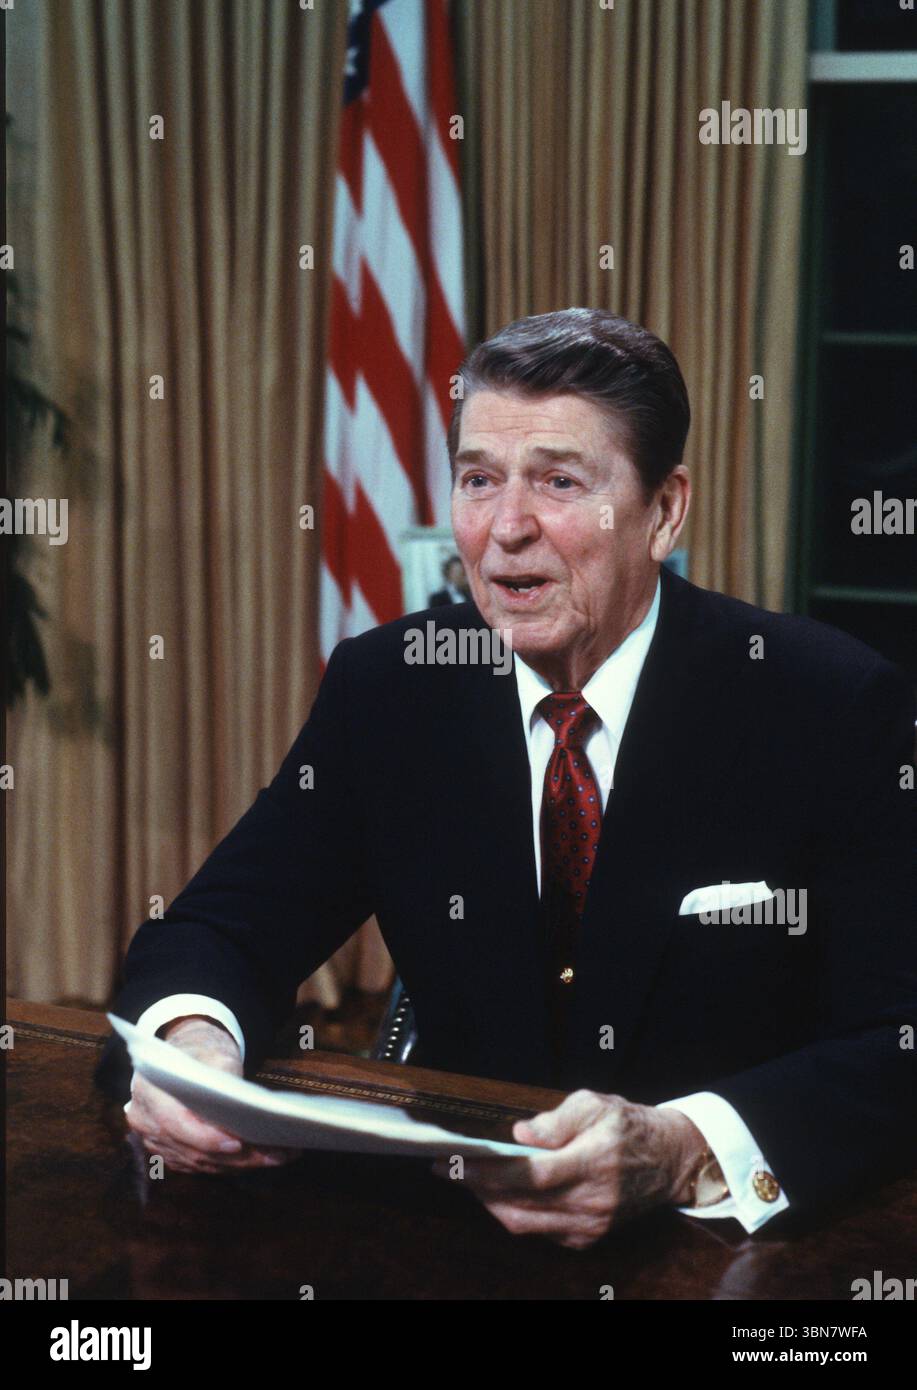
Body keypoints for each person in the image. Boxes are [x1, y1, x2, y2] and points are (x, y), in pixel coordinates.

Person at [99, 308, 917, 1250]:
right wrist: (191, 1053)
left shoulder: (827, 703)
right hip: (447, 1236)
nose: (505, 530)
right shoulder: (392, 687)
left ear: (664, 510)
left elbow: (896, 1039)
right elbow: (216, 930)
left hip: (722, 1246)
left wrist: (683, 1145)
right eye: (477, 480)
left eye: (558, 482)